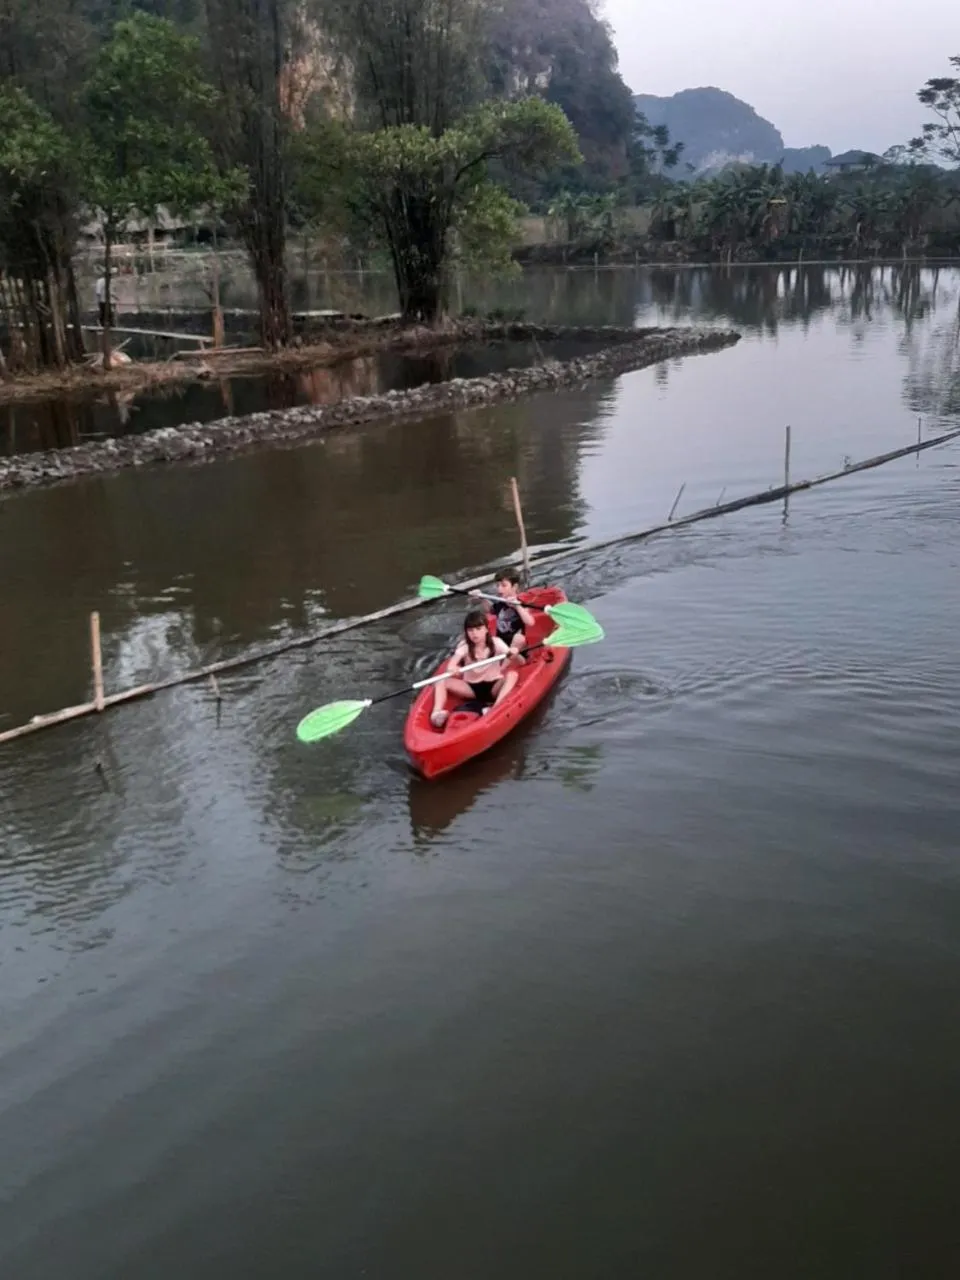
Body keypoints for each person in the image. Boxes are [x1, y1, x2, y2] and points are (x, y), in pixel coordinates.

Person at [430, 608, 519, 730]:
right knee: (440, 680)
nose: (474, 634)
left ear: (486, 629)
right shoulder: (464, 647)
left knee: (512, 675)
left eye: (478, 629)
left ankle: (495, 709)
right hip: (471, 688)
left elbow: (512, 655)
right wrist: (453, 668)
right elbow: (452, 664)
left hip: (493, 686)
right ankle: (437, 714)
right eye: (470, 630)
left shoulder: (496, 643)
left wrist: (513, 652)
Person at [471, 569, 535, 660]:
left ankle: (501, 669)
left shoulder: (521, 602)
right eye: (498, 585)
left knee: (519, 638)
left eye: (504, 585)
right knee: (487, 639)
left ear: (514, 587)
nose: (499, 589)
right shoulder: (500, 601)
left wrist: (517, 606)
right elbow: (491, 610)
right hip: (501, 643)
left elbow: (530, 622)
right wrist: (482, 598)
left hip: (517, 649)